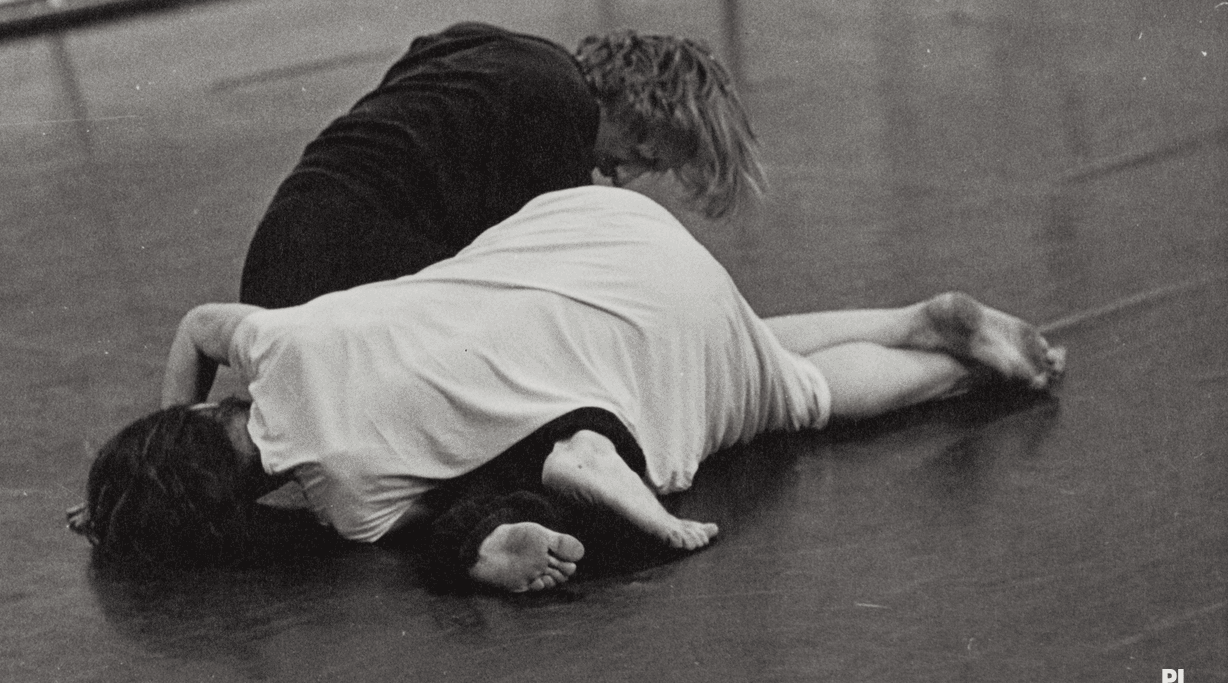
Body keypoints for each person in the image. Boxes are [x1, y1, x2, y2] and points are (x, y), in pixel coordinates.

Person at [69, 186, 1065, 592]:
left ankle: (953, 367)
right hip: (597, 237)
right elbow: (198, 330)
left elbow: (456, 499)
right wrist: (168, 416)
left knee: (794, 397)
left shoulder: (343, 503)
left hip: (629, 350)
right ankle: (914, 318)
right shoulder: (272, 336)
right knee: (739, 347)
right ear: (201, 412)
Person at [235, 22, 763, 311]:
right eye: (641, 154)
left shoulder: (500, 50)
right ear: (637, 104)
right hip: (325, 287)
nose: (621, 174)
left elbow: (414, 64)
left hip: (279, 252)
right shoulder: (558, 112)